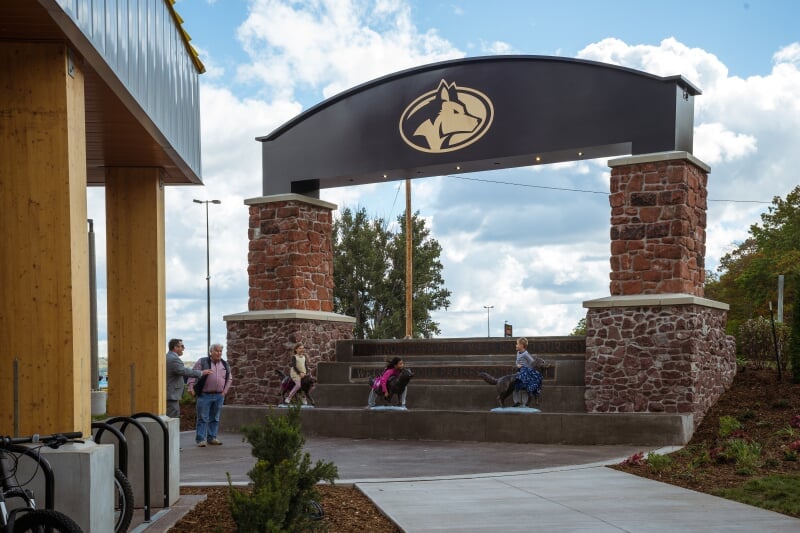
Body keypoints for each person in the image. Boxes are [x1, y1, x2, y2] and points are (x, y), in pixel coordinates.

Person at [187, 343, 232, 447]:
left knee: (215, 418)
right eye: (216, 351)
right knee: (202, 418)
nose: (219, 353)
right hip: (204, 395)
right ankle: (200, 439)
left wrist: (224, 392)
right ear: (210, 352)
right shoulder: (202, 362)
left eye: (220, 351)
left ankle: (212, 437)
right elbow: (192, 374)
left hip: (219, 396)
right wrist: (190, 387)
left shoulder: (225, 364)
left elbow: (229, 378)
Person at [166, 338, 211, 418]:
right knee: (172, 418)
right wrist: (201, 372)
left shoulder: (169, 357)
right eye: (182, 346)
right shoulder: (173, 359)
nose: (184, 348)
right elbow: (184, 371)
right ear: (175, 347)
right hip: (172, 395)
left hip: (170, 394)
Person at [512, 337, 543, 407]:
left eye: (517, 344)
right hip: (519, 370)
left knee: (524, 386)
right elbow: (517, 361)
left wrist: (527, 368)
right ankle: (517, 401)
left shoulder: (526, 354)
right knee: (515, 385)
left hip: (525, 371)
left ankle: (525, 402)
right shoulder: (518, 353)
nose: (516, 345)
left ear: (522, 345)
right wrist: (517, 365)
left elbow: (532, 362)